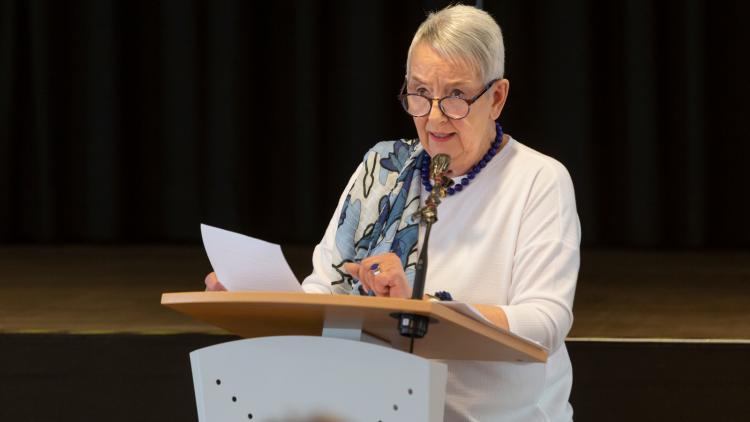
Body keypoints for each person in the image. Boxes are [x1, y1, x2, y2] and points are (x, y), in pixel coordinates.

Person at [207, 4, 580, 421]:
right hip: (380, 409)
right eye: (420, 93)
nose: (434, 117)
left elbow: (544, 324)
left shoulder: (538, 179)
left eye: (456, 96)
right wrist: (252, 302)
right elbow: (325, 293)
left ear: (496, 98)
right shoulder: (382, 171)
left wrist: (423, 309)